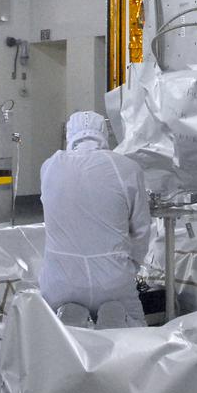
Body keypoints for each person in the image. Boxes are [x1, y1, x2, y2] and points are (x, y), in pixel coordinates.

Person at [39, 110, 152, 326]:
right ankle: (117, 320)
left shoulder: (50, 166)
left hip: (60, 278)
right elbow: (141, 230)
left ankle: (72, 319)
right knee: (135, 328)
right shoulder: (126, 168)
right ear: (104, 133)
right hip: (112, 277)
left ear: (70, 134)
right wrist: (131, 266)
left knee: (54, 334)